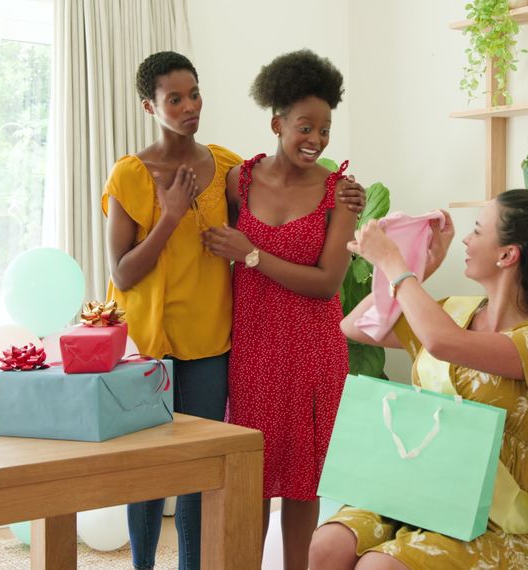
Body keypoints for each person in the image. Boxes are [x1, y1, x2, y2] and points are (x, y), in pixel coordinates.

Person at [102, 51, 364, 570]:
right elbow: (123, 273)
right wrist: (172, 215)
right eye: (174, 98)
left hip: (241, 345)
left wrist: (338, 198)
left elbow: (307, 252)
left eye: (193, 94)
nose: (188, 106)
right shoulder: (163, 176)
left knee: (233, 476)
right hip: (186, 347)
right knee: (165, 473)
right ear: (149, 106)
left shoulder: (229, 169)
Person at [309, 190, 528, 570]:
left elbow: (444, 343)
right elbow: (359, 326)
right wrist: (418, 267)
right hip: (411, 490)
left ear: (507, 254)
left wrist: (395, 264)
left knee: (382, 567)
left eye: (477, 230)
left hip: (491, 519)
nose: (465, 239)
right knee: (327, 545)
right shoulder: (452, 312)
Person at [200, 49, 357, 570]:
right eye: (304, 127)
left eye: (325, 130)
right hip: (254, 349)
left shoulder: (339, 195)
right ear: (276, 122)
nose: (315, 141)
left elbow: (327, 283)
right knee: (254, 476)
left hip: (313, 350)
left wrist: (250, 254)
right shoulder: (236, 183)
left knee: (303, 481)